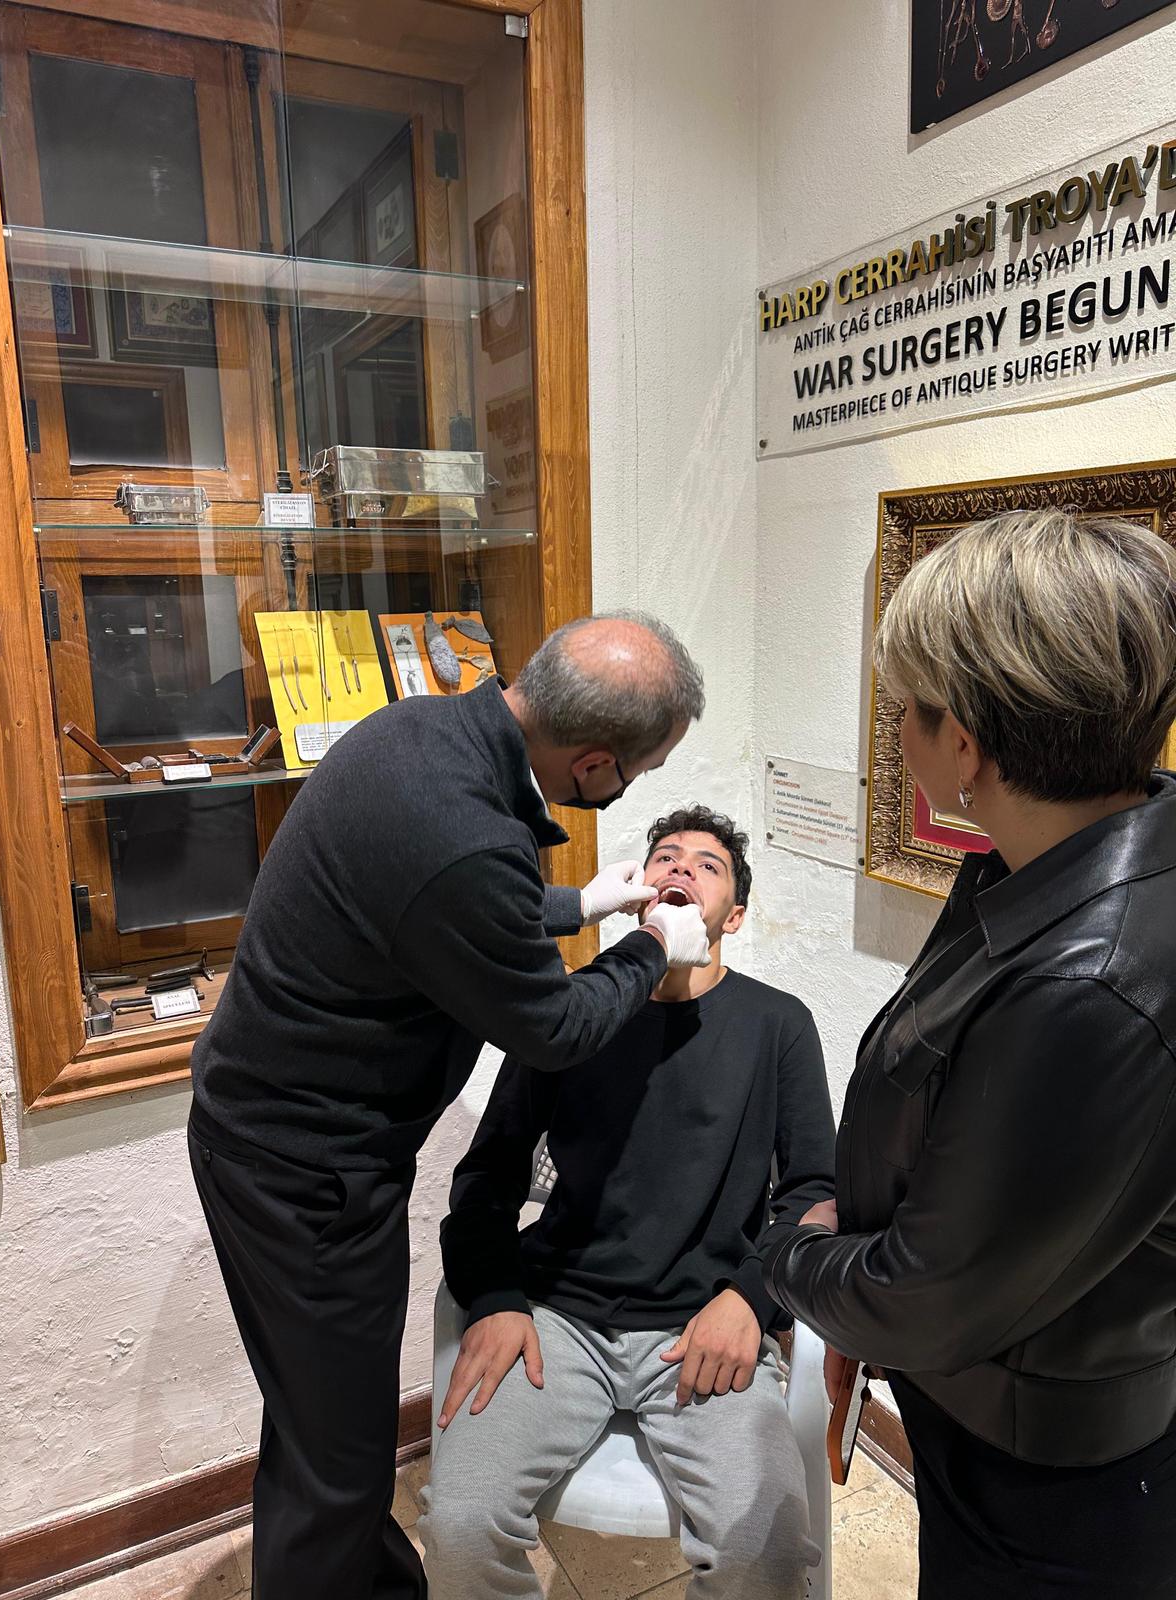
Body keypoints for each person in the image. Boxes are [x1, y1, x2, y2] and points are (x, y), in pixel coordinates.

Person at [187, 614, 714, 1600]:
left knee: (321, 1422)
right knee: (339, 1457)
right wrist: (651, 949)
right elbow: (552, 1025)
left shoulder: (417, 731)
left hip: (267, 1134)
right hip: (305, 1170)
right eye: (637, 774)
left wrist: (579, 903)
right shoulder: (465, 834)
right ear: (595, 763)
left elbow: (436, 901)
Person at [763, 510, 1176, 1600]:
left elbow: (930, 1297)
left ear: (967, 743)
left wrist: (790, 1256)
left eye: (906, 705)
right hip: (989, 1393)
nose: (896, 727)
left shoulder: (1088, 987)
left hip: (1046, 1485)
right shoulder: (1040, 867)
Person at [420, 804, 835, 1600]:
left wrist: (751, 1299)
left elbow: (815, 1192)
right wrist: (496, 1297)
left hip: (703, 1327)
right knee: (461, 1530)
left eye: (708, 865)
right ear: (638, 892)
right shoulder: (573, 1009)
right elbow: (487, 1174)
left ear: (733, 916)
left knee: (767, 1551)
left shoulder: (777, 1025)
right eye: (666, 857)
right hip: (557, 1318)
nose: (681, 868)